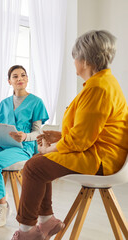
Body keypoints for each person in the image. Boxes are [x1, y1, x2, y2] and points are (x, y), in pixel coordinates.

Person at [11, 30, 128, 240]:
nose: (74, 62)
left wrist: (51, 148)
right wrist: (59, 137)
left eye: (75, 57)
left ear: (84, 59)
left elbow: (81, 140)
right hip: (99, 152)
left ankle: (27, 233)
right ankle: (46, 221)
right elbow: (90, 129)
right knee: (38, 162)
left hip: (102, 160)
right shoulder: (102, 83)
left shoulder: (98, 88)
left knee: (34, 167)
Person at [0, 65, 49, 228]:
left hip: (22, 148)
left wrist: (25, 136)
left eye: (23, 75)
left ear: (27, 79)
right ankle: (1, 197)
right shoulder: (4, 103)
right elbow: (0, 125)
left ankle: (1, 206)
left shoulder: (36, 102)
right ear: (9, 81)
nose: (19, 78)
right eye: (15, 76)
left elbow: (38, 133)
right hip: (1, 144)